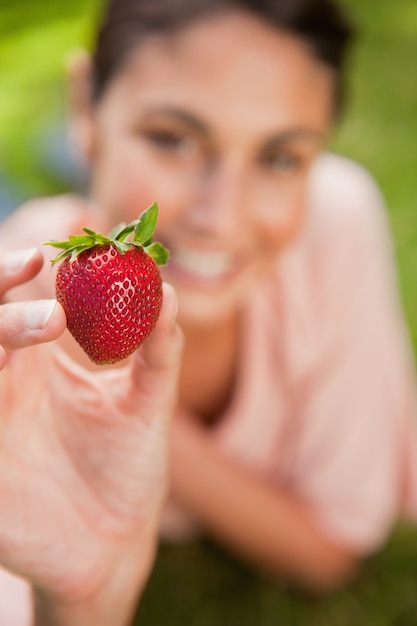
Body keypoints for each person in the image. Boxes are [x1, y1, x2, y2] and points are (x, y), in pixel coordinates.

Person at [1, 0, 417, 622]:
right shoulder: (24, 318)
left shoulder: (335, 216)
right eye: (173, 139)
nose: (219, 217)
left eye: (279, 157)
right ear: (85, 101)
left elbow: (332, 548)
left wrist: (144, 411)